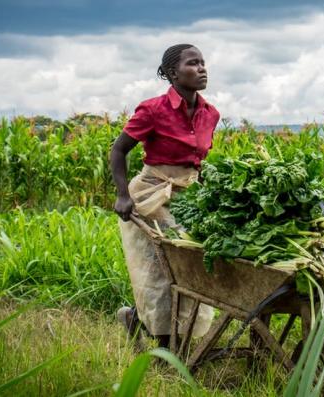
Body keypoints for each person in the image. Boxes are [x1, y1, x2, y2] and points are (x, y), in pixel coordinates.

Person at [110, 44, 218, 347]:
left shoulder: (210, 113)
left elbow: (197, 161)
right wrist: (122, 194)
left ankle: (153, 326)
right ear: (172, 73)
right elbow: (118, 150)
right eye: (192, 63)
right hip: (152, 193)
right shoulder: (153, 110)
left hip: (189, 196)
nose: (202, 68)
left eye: (203, 62)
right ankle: (163, 342)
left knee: (194, 267)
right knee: (161, 271)